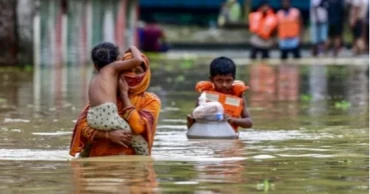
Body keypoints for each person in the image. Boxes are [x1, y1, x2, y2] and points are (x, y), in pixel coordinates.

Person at [69, 52, 161, 157]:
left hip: (132, 167)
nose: (132, 75)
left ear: (146, 74)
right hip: (98, 163)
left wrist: (124, 96)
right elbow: (82, 127)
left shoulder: (150, 100)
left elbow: (138, 127)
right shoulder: (106, 96)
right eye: (127, 71)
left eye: (138, 71)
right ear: (119, 72)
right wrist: (107, 135)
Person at [187, 57, 253, 134]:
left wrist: (232, 120)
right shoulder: (204, 97)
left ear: (233, 79)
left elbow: (249, 122)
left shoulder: (238, 96)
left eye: (228, 81)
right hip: (208, 136)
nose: (224, 85)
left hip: (230, 138)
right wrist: (190, 121)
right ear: (211, 79)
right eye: (219, 80)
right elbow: (194, 125)